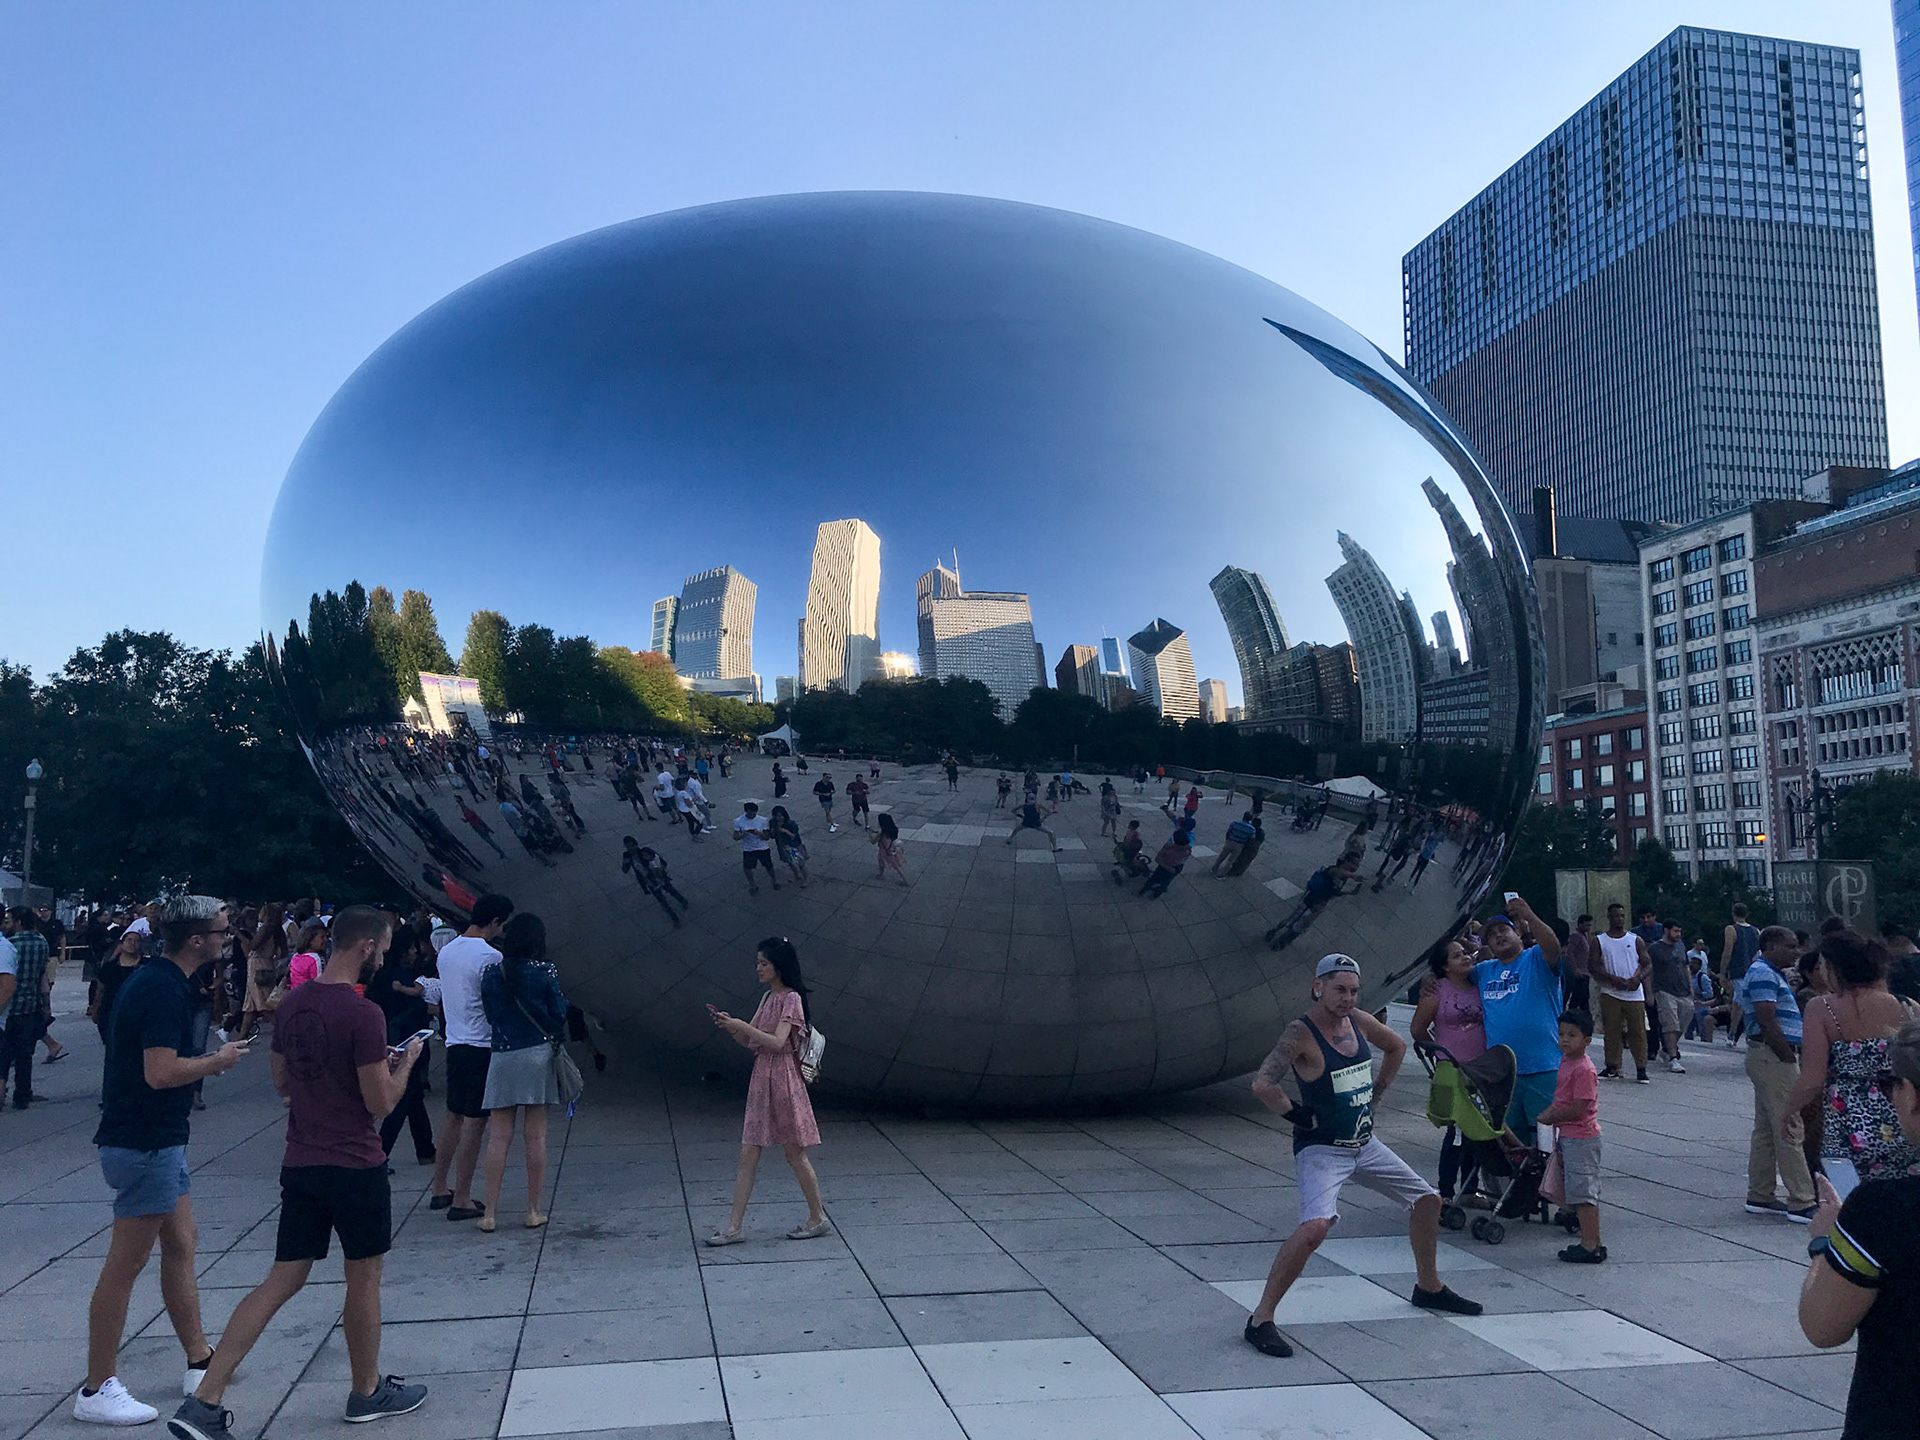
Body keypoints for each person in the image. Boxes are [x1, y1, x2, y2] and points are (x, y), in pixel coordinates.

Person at [168, 907, 428, 1438]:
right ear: (365, 948)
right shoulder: (365, 1014)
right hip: (355, 1163)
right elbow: (379, 1103)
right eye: (382, 946)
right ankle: (366, 1390)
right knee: (364, 1276)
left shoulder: (292, 1004)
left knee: (282, 1277)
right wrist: (405, 1066)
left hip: (302, 1160)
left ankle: (205, 1399)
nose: (383, 955)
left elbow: (283, 1080)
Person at [1242, 954, 1481, 1358]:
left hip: (1363, 1144)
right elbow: (1263, 1083)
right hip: (1323, 1150)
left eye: (1354, 991)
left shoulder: (1358, 1021)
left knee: (1427, 1201)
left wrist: (1378, 1093)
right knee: (1315, 1228)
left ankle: (1429, 1287)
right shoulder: (1300, 1032)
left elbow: (1397, 1045)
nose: (1348, 998)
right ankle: (1260, 1318)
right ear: (1318, 986)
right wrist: (1297, 1114)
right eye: (1340, 990)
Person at [77, 896, 248, 1427]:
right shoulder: (164, 989)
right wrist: (216, 1063)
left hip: (157, 1139)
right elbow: (160, 1071)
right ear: (197, 939)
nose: (228, 936)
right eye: (222, 930)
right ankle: (96, 1387)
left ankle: (199, 1359)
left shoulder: (157, 978)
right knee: (125, 1265)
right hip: (145, 1141)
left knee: (181, 1244)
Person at [1797, 1018, 1920, 1440]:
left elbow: (1822, 1326)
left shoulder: (1883, 1210)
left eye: (1892, 1085)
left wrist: (1825, 1240)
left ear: (1913, 1096)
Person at [705, 938, 829, 1244]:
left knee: (794, 1152)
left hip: (784, 1076)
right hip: (763, 1076)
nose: (759, 968)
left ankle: (818, 1217)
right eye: (758, 962)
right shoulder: (767, 998)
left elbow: (777, 1042)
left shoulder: (791, 999)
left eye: (764, 963)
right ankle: (734, 1227)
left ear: (778, 965)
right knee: (749, 1150)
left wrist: (741, 1025)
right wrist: (731, 1026)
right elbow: (751, 1043)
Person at [1784, 928, 1920, 1200]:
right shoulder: (1909, 1007)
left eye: (1822, 964)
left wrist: (1788, 1111)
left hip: (1846, 1125)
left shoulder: (1822, 1008)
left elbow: (1813, 1078)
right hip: (1904, 1116)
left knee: (1848, 1201)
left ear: (1834, 967)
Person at [476, 914, 567, 1232]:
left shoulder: (490, 973)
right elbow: (559, 1012)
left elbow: (489, 1014)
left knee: (498, 1138)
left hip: (502, 1055)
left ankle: (489, 1213)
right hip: (537, 1055)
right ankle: (533, 1209)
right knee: (536, 1137)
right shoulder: (545, 971)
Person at [428, 894, 513, 1222]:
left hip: (455, 1041)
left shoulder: (446, 952)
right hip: (481, 1044)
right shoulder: (491, 956)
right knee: (476, 1124)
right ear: (495, 921)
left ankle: (440, 1187)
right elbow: (495, 1001)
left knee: (453, 1117)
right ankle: (462, 1196)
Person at [1727, 924, 1819, 1222]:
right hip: (1773, 1056)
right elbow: (1767, 1018)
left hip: (1764, 1055)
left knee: (1766, 1128)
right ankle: (1802, 1200)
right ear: (1771, 946)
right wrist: (1785, 1054)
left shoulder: (1763, 972)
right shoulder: (1765, 974)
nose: (1797, 951)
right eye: (1791, 946)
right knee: (1789, 1124)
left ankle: (1761, 1193)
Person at [1467, 896, 1564, 1144]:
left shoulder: (1536, 959)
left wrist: (1528, 914)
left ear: (1519, 933)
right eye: (1491, 935)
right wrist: (1431, 981)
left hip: (1543, 1067)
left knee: (1548, 1140)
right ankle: (1521, 1183)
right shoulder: (1484, 970)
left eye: (1504, 930)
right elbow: (1450, 970)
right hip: (1503, 1074)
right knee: (1512, 1142)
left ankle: (1548, 1183)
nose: (1498, 936)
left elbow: (1553, 945)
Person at [1409, 938, 1487, 1209]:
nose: (1465, 957)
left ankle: (1469, 1187)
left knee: (1477, 1130)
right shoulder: (1437, 990)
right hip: (1453, 1069)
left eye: (1466, 953)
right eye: (1456, 956)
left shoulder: (1479, 985)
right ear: (1444, 966)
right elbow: (1418, 1029)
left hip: (1482, 1069)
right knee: (1455, 1131)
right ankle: (1445, 1190)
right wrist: (1437, 1051)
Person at [1536, 1008, 1605, 1262]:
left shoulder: (1584, 1069)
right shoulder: (1566, 1061)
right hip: (1568, 1135)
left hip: (1581, 1137)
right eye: (1562, 1033)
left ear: (1587, 1040)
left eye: (1572, 1035)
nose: (1565, 1039)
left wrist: (1552, 1116)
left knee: (1583, 1192)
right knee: (1579, 1190)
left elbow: (1580, 1106)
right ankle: (1593, 1241)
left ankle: (1589, 1245)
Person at [365, 930, 435, 1167]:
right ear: (405, 951)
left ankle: (426, 1148)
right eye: (412, 947)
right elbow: (417, 1009)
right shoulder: (406, 977)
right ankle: (380, 1153)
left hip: (389, 1037)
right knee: (404, 1099)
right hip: (409, 1040)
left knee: (413, 1097)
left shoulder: (381, 977)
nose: (416, 952)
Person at [1591, 903, 1653, 1083]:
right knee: (1611, 1031)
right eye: (1616, 916)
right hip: (1611, 992)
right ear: (1609, 917)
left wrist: (1637, 979)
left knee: (1638, 1031)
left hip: (1634, 993)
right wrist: (1612, 979)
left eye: (1622, 916)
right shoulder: (1600, 941)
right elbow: (1593, 965)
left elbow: (1647, 963)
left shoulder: (1635, 940)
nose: (1619, 919)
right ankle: (1612, 1065)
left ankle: (1641, 1067)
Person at [2, 907, 50, 1108]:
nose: (7, 924)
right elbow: (42, 976)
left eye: (10, 920)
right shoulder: (42, 942)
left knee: (3, 1053)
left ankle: (2, 1089)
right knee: (24, 1054)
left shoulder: (10, 944)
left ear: (19, 922)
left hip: (7, 1006)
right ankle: (22, 1094)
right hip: (29, 1004)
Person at [1647, 919, 1693, 1074]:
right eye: (1675, 931)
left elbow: (1686, 967)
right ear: (1666, 931)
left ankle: (1667, 1048)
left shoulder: (1680, 946)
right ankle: (1673, 1057)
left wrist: (1690, 988)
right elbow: (1649, 970)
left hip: (1683, 990)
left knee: (1683, 1021)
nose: (1678, 934)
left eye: (1679, 931)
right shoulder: (1655, 948)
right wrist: (1650, 992)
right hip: (1664, 990)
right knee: (1670, 1023)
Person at [1722, 901, 1763, 1045]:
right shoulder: (1756, 930)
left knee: (1740, 1003)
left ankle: (1735, 1034)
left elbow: (1728, 951)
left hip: (1738, 970)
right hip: (1753, 969)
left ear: (1733, 913)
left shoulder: (1731, 929)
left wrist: (1723, 971)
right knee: (1742, 1002)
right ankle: (1737, 1033)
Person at [623, 836, 687, 926]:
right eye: (627, 846)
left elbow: (662, 862)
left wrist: (659, 873)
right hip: (649, 882)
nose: (630, 849)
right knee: (662, 901)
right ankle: (674, 917)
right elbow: (625, 870)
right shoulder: (627, 855)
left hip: (659, 878)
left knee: (671, 890)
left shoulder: (645, 851)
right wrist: (626, 863)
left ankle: (683, 900)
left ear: (636, 845)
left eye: (631, 846)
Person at [733, 802, 781, 896]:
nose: (752, 815)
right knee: (747, 868)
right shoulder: (738, 821)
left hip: (762, 847)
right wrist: (743, 835)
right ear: (746, 811)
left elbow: (767, 837)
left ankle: (774, 880)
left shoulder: (763, 820)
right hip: (748, 848)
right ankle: (752, 885)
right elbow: (735, 837)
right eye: (750, 813)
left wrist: (759, 834)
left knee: (769, 866)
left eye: (754, 813)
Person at [1139, 831, 1192, 899]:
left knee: (1153, 879)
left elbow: (1157, 859)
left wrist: (1165, 866)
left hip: (1164, 867)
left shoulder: (1168, 848)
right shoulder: (1187, 849)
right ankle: (1157, 894)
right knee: (1166, 881)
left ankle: (1143, 891)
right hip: (1177, 867)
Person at [768, 806, 811, 888]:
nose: (778, 818)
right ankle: (796, 875)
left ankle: (806, 878)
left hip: (794, 846)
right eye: (776, 816)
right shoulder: (773, 823)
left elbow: (794, 836)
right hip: (782, 846)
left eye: (780, 816)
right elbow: (772, 836)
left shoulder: (791, 823)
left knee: (800, 863)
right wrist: (772, 832)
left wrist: (785, 831)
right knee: (789, 862)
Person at [1560, 915, 1594, 1013]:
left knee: (1584, 998)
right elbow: (1569, 952)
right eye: (1587, 925)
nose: (1588, 928)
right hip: (1580, 973)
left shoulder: (1585, 937)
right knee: (1578, 997)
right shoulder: (1576, 936)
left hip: (1585, 972)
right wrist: (1575, 969)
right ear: (1580, 924)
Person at [1211, 812, 1258, 877]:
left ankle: (1214, 868)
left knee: (1221, 856)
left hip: (1230, 841)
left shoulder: (1235, 823)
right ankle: (1221, 875)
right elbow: (1251, 839)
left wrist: (1227, 840)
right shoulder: (1252, 829)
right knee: (1230, 861)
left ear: (1243, 817)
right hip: (1240, 845)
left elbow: (1228, 832)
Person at [872, 812, 909, 885]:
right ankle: (881, 873)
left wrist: (877, 835)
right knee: (884, 863)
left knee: (895, 866)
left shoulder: (883, 834)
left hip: (886, 852)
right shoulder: (892, 830)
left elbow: (880, 843)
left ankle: (905, 880)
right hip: (893, 851)